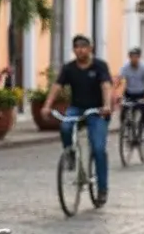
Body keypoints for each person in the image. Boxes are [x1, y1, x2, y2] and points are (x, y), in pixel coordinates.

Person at [44, 34, 113, 205]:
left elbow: (106, 85)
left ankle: (102, 189)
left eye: (83, 46)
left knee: (98, 148)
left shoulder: (99, 66)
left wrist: (106, 105)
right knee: (65, 127)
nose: (80, 50)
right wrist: (47, 105)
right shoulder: (69, 68)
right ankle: (71, 154)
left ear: (90, 48)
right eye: (76, 47)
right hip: (76, 108)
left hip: (97, 110)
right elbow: (57, 86)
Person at [114, 46, 144, 130]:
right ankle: (124, 127)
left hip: (142, 93)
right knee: (123, 111)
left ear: (139, 57)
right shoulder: (125, 67)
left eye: (136, 56)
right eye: (131, 56)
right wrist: (116, 93)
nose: (133, 59)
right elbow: (119, 79)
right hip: (129, 93)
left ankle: (143, 127)